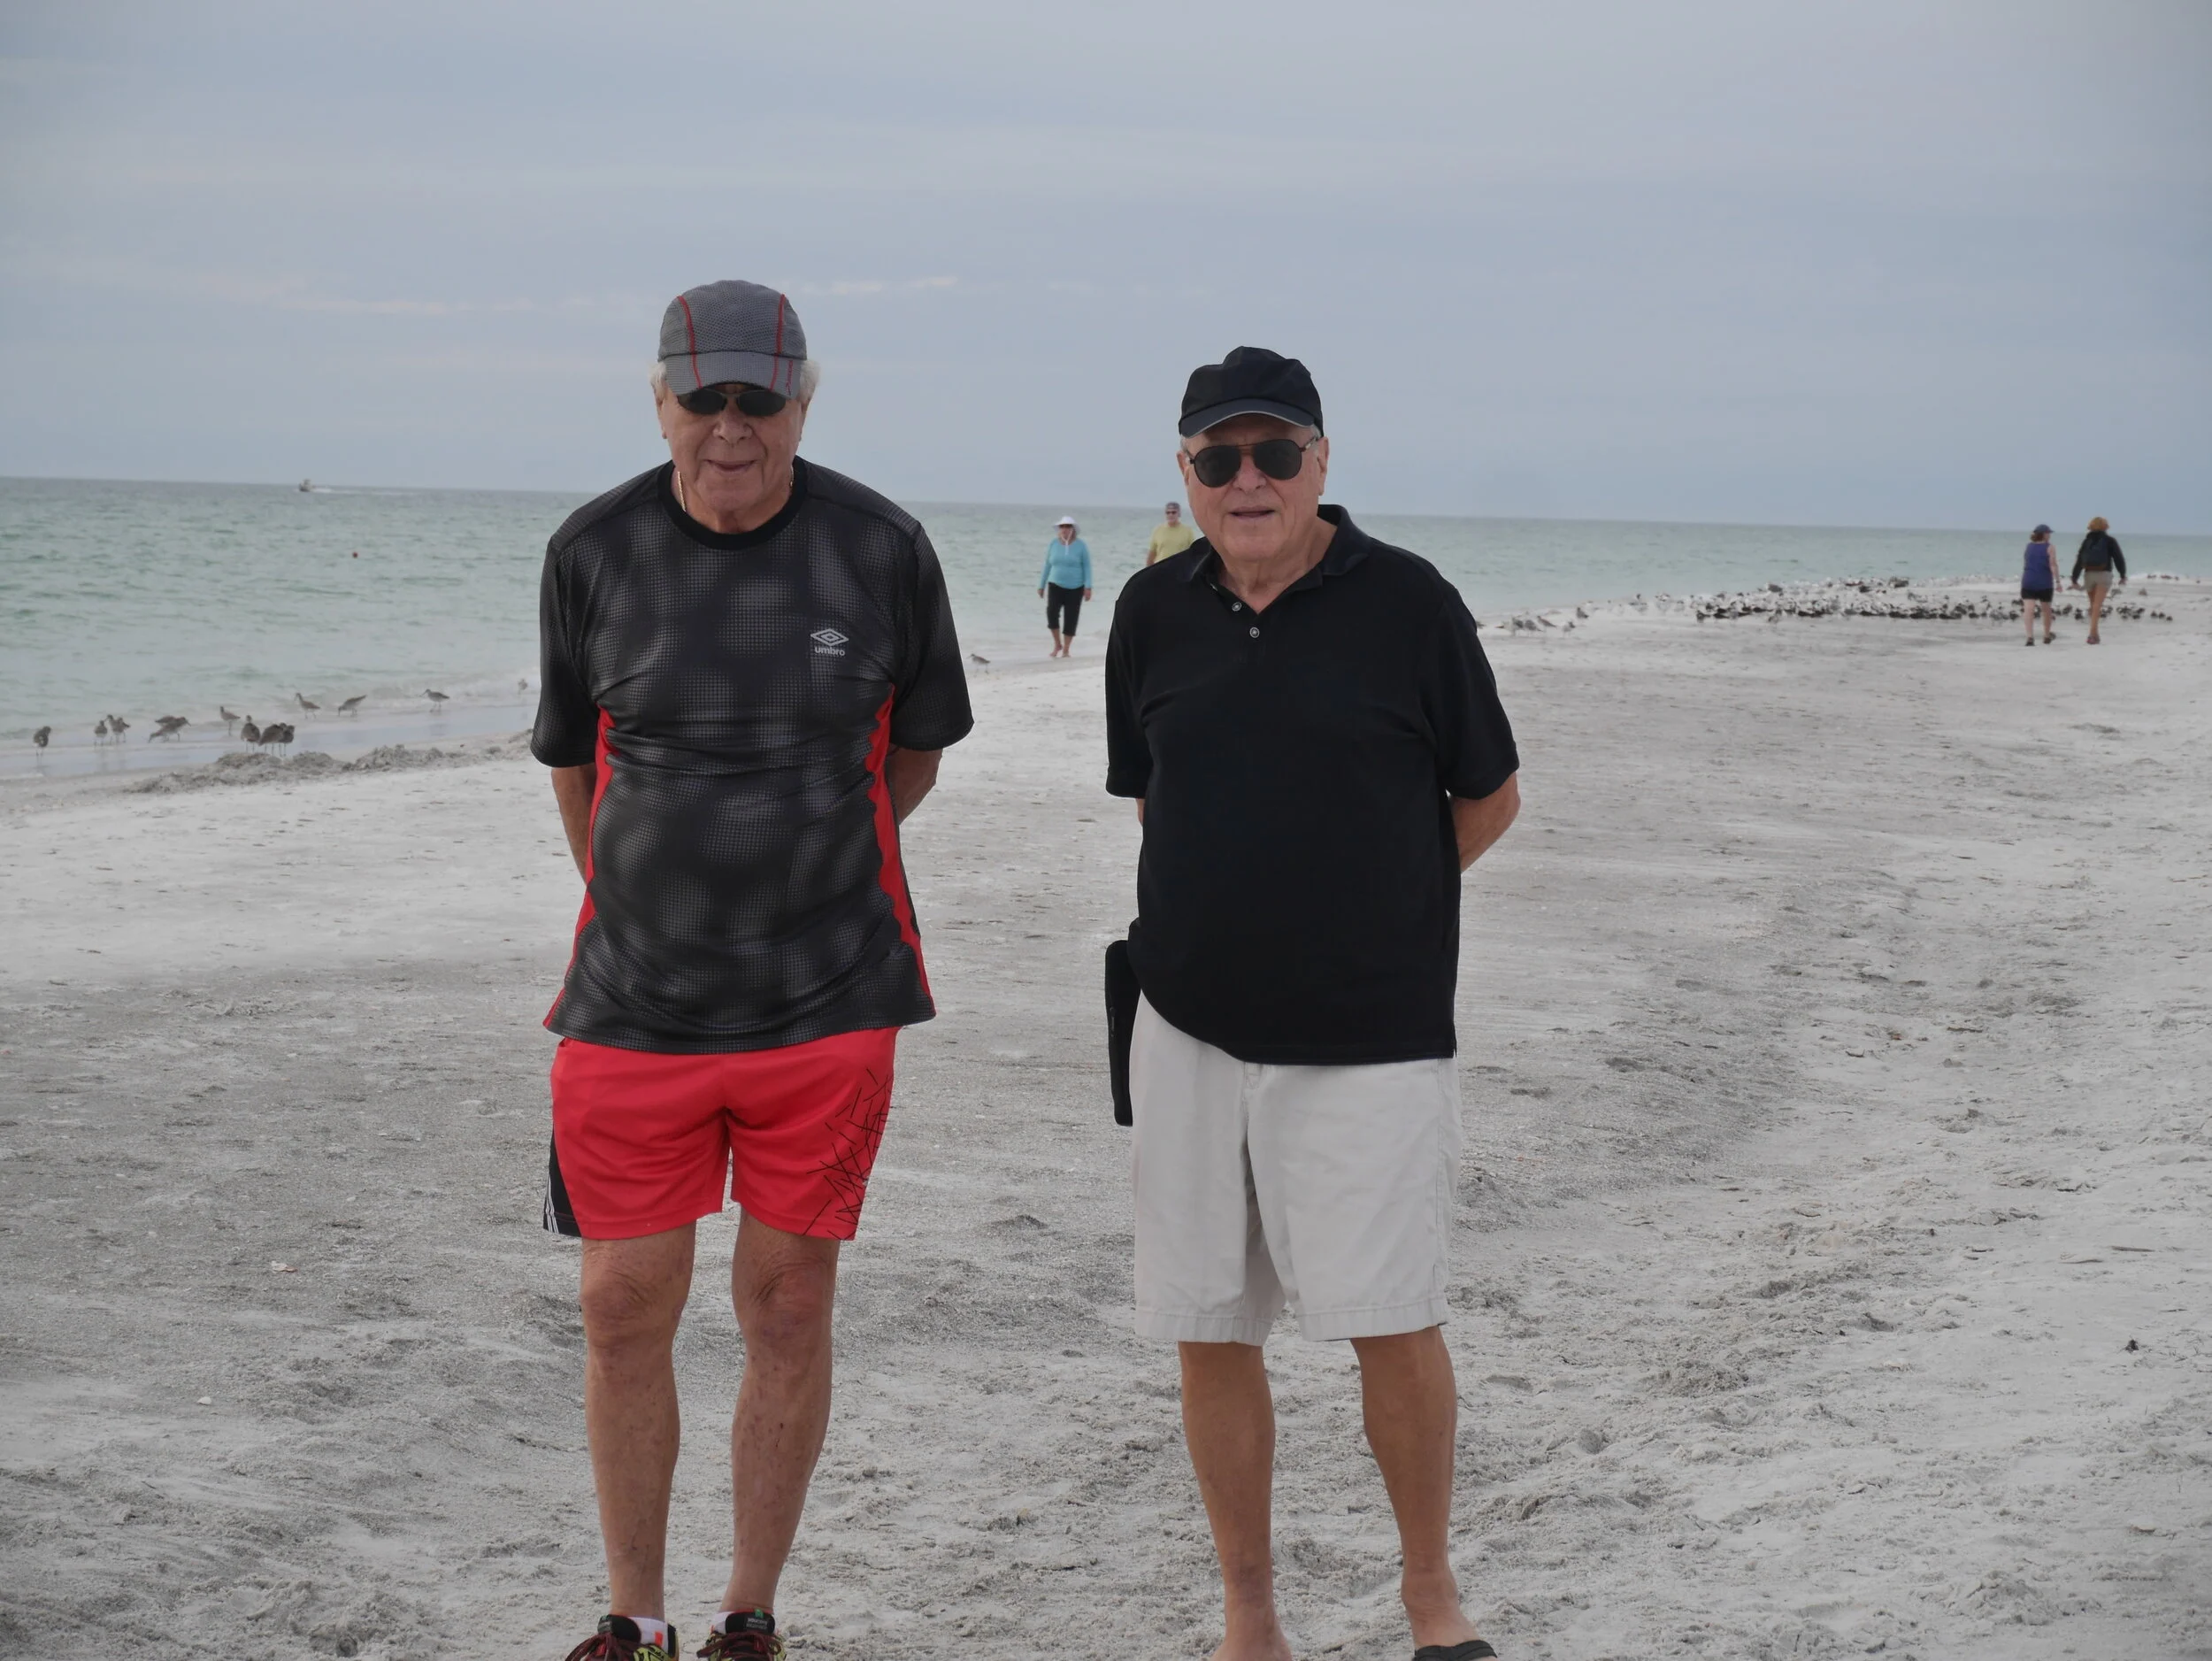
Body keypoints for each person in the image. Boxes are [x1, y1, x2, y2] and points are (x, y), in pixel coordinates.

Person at [532, 279, 973, 1661]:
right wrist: (657, 890)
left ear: (804, 397)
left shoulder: (881, 547)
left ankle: (745, 1614)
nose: (731, 427)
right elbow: (571, 770)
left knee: (786, 1299)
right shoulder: (591, 549)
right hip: (631, 1003)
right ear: (658, 399)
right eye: (703, 398)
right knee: (620, 1304)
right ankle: (634, 1614)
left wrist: (803, 855)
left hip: (829, 997)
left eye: (758, 399)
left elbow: (913, 758)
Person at [1104, 346, 1521, 1661]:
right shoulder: (1150, 610)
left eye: (1275, 453)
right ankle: (1250, 1618)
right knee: (1207, 1326)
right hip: (1182, 1021)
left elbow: (1489, 796)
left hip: (1371, 1034)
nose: (1248, 479)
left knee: (1391, 1320)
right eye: (1219, 458)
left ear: (1322, 462)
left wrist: (1369, 902)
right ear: (1186, 473)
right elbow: (1151, 791)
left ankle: (1430, 1598)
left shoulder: (1410, 603)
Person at [1039, 514, 1093, 657]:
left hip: (1075, 587)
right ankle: (1057, 644)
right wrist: (1041, 585)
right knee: (1051, 613)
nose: (1065, 529)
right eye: (1062, 526)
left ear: (1073, 529)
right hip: (1055, 584)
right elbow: (1047, 565)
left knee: (1071, 617)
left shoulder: (1081, 546)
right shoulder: (1053, 544)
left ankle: (1067, 649)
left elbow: (1087, 567)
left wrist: (1088, 587)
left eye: (1068, 527)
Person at [2070, 515, 2126, 644]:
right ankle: (2091, 635)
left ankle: (2095, 634)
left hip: (2088, 575)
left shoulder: (2086, 541)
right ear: (2105, 527)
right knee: (2097, 606)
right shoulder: (2110, 541)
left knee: (2093, 605)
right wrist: (2123, 575)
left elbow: (2079, 560)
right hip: (2103, 574)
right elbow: (2119, 558)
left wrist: (2074, 578)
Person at [2021, 524, 2061, 645]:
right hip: (2044, 583)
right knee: (2046, 610)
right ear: (2043, 534)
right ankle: (2047, 636)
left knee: (2029, 609)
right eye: (2048, 533)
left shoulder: (2029, 546)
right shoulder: (2050, 547)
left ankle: (2029, 637)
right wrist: (2058, 581)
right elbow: (2053, 565)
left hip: (2029, 581)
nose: (2049, 535)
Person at [1147, 499, 1197, 565]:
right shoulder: (1158, 530)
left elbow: (1193, 553)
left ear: (1179, 513)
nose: (1171, 515)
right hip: (1160, 569)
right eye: (1168, 512)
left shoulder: (1187, 531)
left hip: (1180, 569)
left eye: (1173, 512)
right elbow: (1152, 554)